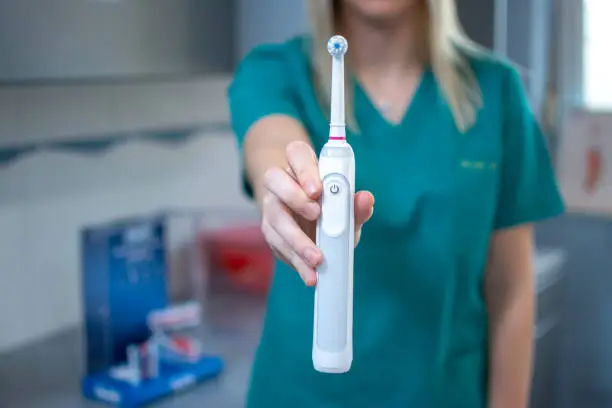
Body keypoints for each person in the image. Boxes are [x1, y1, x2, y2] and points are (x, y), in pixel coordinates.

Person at [228, 0, 565, 406]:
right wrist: (288, 193)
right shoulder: (273, 71)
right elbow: (272, 143)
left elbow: (510, 288)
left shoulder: (496, 91)